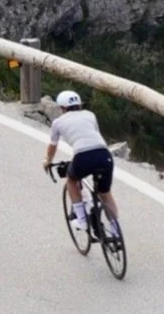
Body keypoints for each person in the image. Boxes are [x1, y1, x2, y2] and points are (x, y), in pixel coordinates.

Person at [42, 90, 120, 240]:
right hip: (104, 155)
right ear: (79, 105)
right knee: (105, 193)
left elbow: (53, 146)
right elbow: (92, 135)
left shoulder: (58, 123)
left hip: (83, 156)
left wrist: (48, 161)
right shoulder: (90, 115)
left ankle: (82, 220)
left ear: (62, 107)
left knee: (72, 181)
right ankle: (116, 230)